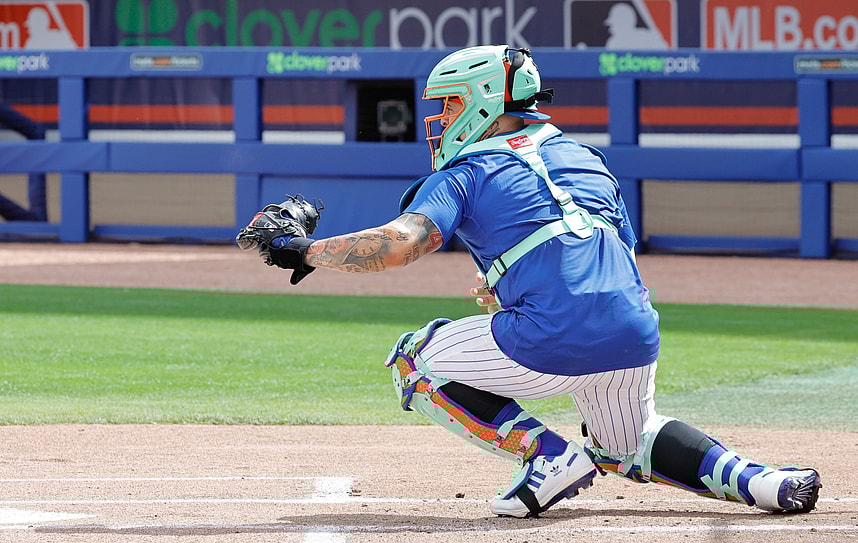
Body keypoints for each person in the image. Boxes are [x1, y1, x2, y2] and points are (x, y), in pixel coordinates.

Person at [238, 45, 820, 518]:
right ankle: (766, 484)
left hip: (552, 336)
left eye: (447, 106)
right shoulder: (585, 156)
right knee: (625, 444)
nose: (439, 120)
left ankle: (546, 456)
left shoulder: (467, 171)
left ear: (482, 103)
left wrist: (302, 250)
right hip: (634, 331)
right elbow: (608, 250)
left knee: (415, 360)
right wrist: (515, 282)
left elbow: (400, 245)